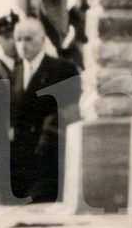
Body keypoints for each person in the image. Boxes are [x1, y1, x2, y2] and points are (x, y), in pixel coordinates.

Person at [5, 16, 81, 203]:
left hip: (48, 158)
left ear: (42, 39)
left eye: (28, 39)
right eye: (18, 39)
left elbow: (64, 112)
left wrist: (43, 147)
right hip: (19, 161)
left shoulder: (62, 69)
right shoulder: (16, 73)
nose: (23, 45)